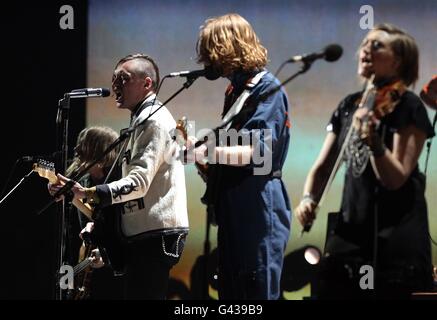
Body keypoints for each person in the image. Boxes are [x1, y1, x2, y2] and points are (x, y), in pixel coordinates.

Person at [294, 23, 435, 299]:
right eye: (364, 44)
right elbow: (323, 168)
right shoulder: (350, 105)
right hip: (350, 234)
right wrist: (309, 198)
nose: (365, 49)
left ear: (398, 60)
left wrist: (373, 142)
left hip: (395, 242)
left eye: (377, 45)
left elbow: (395, 178)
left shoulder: (409, 106)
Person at [49, 54, 189, 300]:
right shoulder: (141, 120)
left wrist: (88, 193)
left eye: (123, 79)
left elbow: (138, 182)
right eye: (114, 79)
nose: (115, 85)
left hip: (153, 237)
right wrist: (77, 194)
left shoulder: (154, 121)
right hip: (145, 235)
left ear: (147, 84)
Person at [188, 13, 291, 300]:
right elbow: (230, 154)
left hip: (257, 203)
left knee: (255, 288)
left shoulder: (266, 87)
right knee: (232, 291)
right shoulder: (235, 90)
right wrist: (199, 160)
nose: (206, 58)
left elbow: (259, 152)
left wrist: (207, 149)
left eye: (211, 49)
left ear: (227, 46)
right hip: (234, 204)